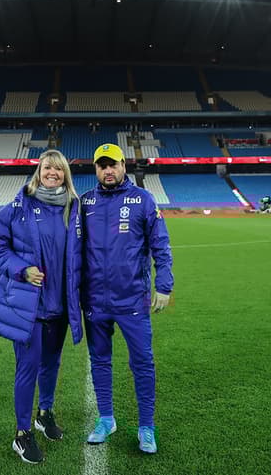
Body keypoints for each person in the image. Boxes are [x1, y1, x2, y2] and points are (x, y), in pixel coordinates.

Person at [0, 149, 84, 464]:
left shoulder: (72, 207)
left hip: (60, 307)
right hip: (28, 306)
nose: (51, 172)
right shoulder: (20, 203)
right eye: (46, 167)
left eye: (57, 168)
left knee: (51, 365)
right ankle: (22, 433)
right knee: (27, 368)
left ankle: (45, 413)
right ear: (38, 171)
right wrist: (21, 269)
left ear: (65, 174)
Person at [80, 143, 174, 454]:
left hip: (132, 300)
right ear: (96, 169)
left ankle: (146, 427)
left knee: (143, 363)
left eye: (113, 164)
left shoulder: (143, 200)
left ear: (124, 166)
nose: (108, 170)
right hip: (94, 301)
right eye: (102, 165)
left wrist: (164, 285)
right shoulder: (86, 202)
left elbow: (161, 245)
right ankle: (106, 419)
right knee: (100, 362)